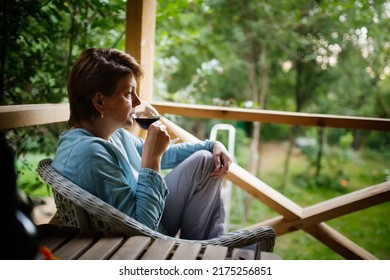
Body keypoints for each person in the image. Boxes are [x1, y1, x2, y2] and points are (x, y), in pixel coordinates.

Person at [52, 48, 232, 240]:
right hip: (143, 235)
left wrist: (211, 145)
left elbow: (168, 155)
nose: (138, 102)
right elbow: (143, 228)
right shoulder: (89, 152)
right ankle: (203, 252)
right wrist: (152, 160)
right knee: (204, 164)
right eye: (129, 94)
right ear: (99, 102)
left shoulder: (114, 136)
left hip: (151, 211)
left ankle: (202, 248)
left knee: (205, 159)